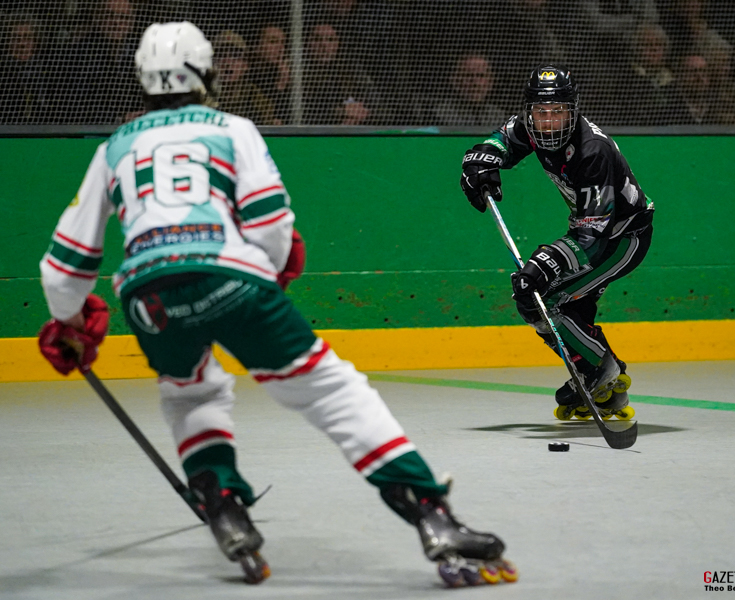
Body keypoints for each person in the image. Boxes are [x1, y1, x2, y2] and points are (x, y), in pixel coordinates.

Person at [37, 21, 515, 587]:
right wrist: (264, 279)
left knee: (190, 394)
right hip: (231, 276)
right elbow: (270, 226)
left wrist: (69, 322)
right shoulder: (232, 128)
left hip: (149, 296)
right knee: (331, 391)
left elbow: (63, 268)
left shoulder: (113, 147)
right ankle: (432, 514)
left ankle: (223, 505)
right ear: (204, 74)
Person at [459, 65, 654, 422]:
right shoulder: (530, 128)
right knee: (556, 306)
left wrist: (549, 261)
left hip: (622, 239)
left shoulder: (592, 151)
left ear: (573, 111)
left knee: (540, 297)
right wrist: (481, 162)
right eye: (541, 112)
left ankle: (601, 369)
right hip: (593, 232)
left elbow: (594, 235)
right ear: (529, 112)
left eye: (558, 112)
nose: (549, 122)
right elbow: (501, 142)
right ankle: (597, 373)